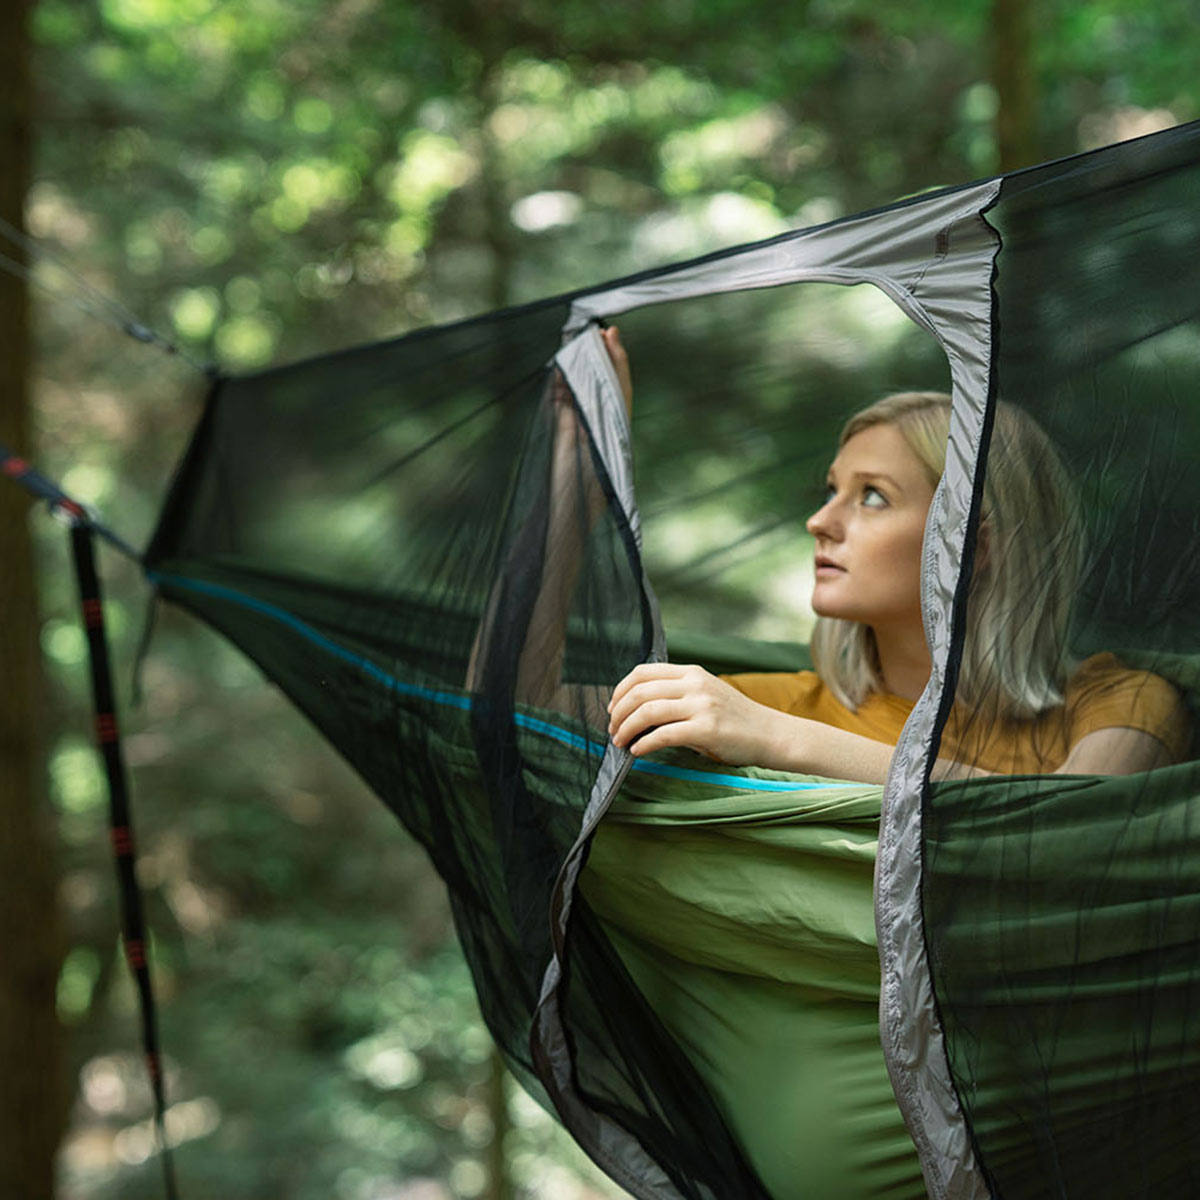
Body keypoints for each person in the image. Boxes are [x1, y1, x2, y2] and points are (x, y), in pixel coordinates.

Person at [601, 327, 1190, 780]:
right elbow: (553, 724)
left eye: (873, 497)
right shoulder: (766, 705)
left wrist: (782, 740)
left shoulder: (1121, 702)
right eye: (831, 491)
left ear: (974, 547)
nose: (819, 522)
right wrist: (585, 464)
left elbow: (1061, 825)